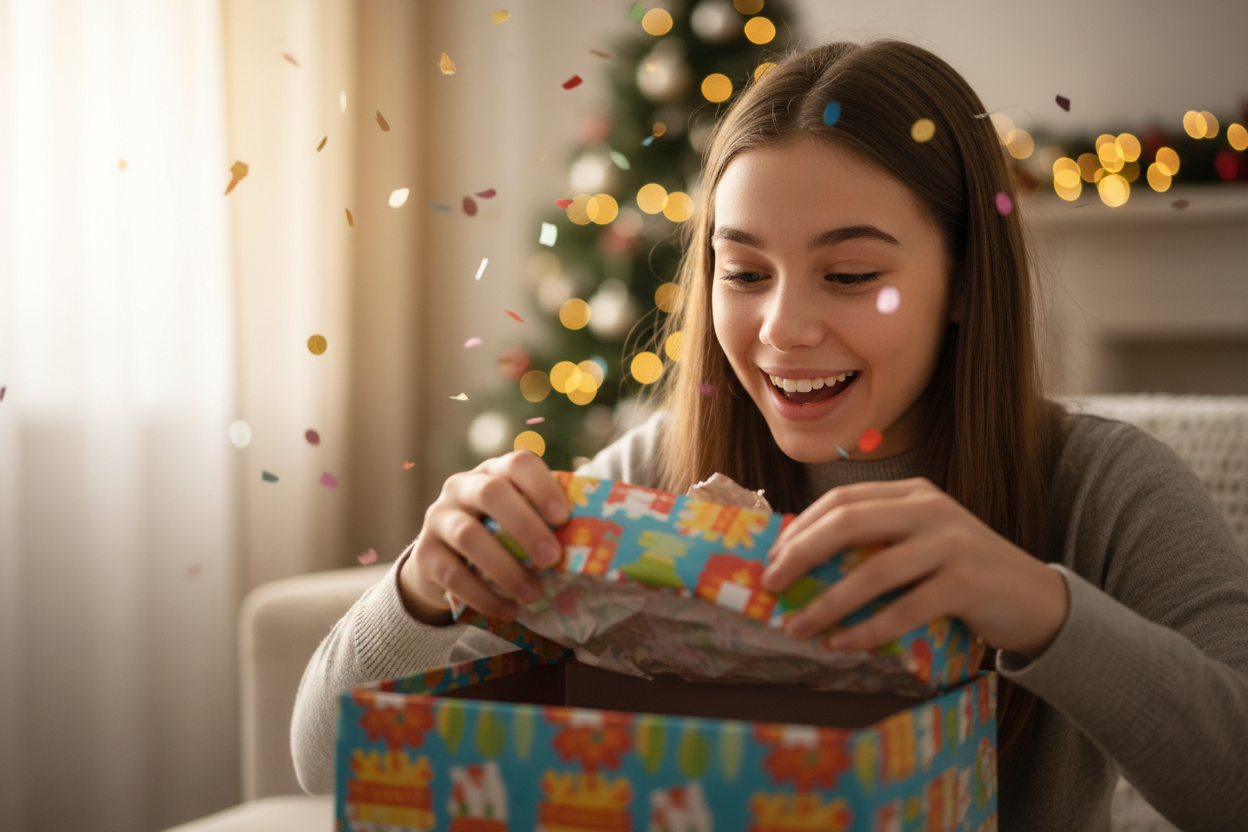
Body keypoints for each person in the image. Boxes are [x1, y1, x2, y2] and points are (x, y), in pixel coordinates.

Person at [292, 40, 1248, 830]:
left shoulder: (1106, 490)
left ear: (961, 282)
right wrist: (423, 587)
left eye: (847, 275)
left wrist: (1038, 606)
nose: (783, 329)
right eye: (743, 274)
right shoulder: (652, 479)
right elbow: (322, 758)